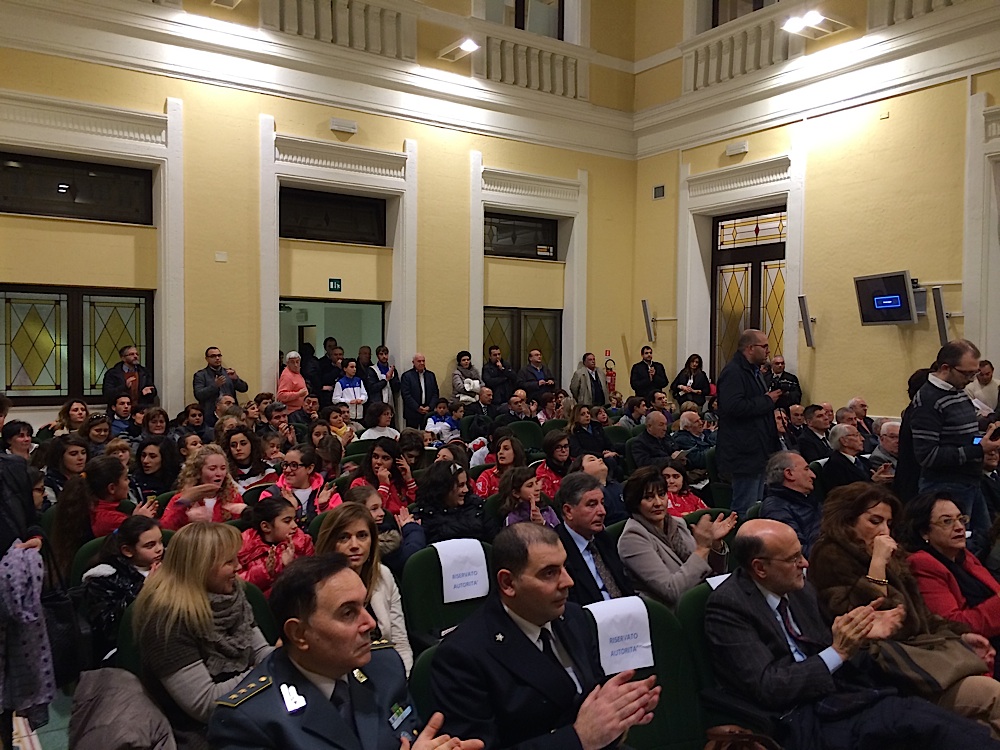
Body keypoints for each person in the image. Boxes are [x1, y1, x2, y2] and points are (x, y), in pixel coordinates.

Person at [705, 518, 1000, 750]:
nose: (805, 564)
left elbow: (832, 648)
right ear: (760, 568)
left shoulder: (799, 589)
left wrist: (861, 636)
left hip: (845, 694)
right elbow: (770, 687)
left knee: (954, 726)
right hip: (800, 717)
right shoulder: (729, 606)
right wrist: (840, 650)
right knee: (926, 725)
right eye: (793, 558)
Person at [208, 554, 482, 750]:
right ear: (299, 633)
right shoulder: (248, 721)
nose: (370, 623)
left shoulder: (384, 666)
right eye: (348, 613)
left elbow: (408, 735)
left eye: (364, 605)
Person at [431, 523, 660, 750]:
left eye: (564, 566)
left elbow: (592, 694)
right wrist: (578, 738)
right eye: (549, 573)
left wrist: (619, 712)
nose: (568, 581)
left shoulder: (573, 617)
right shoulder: (461, 657)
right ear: (508, 583)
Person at [808, 484, 1000, 735]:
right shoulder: (830, 557)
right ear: (847, 521)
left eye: (888, 523)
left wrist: (961, 634)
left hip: (924, 661)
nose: (884, 531)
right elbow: (870, 621)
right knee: (992, 696)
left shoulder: (897, 558)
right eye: (875, 521)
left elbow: (923, 616)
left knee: (983, 728)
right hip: (890, 675)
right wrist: (877, 564)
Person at [134, 522, 274, 743]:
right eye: (229, 562)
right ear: (201, 567)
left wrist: (289, 657)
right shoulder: (165, 620)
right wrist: (270, 670)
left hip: (249, 705)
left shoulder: (232, 594)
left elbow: (261, 652)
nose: (238, 567)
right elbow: (205, 705)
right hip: (198, 731)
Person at [903, 492, 1000, 677]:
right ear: (924, 532)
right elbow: (953, 624)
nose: (959, 527)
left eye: (961, 519)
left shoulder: (963, 556)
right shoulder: (922, 564)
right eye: (947, 522)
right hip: (974, 653)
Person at [315, 503, 413, 673]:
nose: (354, 545)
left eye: (362, 536)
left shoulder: (383, 575)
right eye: (344, 537)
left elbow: (400, 642)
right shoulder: (316, 586)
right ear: (330, 543)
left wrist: (404, 679)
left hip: (386, 672)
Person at [911, 340, 1000, 524]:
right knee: (958, 539)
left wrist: (986, 436)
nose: (971, 379)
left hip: (970, 481)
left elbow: (964, 437)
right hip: (945, 488)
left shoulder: (958, 391)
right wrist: (979, 449)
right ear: (946, 368)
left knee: (985, 537)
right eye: (967, 373)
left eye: (974, 373)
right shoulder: (928, 400)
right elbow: (927, 456)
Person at [618, 466, 732, 608]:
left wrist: (714, 544)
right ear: (635, 503)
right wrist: (702, 548)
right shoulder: (632, 538)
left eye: (662, 494)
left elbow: (711, 572)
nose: (658, 503)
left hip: (702, 602)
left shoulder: (677, 523)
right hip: (671, 612)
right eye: (648, 497)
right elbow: (672, 591)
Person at [51, 454, 157, 575]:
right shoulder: (107, 519)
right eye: (125, 478)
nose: (129, 482)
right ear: (112, 488)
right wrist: (141, 521)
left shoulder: (89, 504)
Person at [716, 329, 781, 518]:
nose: (768, 351)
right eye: (764, 346)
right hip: (743, 452)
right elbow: (733, 406)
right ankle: (741, 536)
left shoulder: (754, 371)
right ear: (750, 348)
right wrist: (767, 400)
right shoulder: (734, 372)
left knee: (757, 507)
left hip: (758, 450)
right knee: (745, 508)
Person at [81, 515, 163, 664]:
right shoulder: (104, 577)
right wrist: (143, 589)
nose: (160, 549)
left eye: (160, 542)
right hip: (127, 649)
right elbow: (110, 628)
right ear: (127, 551)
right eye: (150, 545)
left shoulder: (169, 565)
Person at [555, 472, 634, 605]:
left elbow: (626, 587)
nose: (602, 511)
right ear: (568, 511)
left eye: (602, 503)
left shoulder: (604, 538)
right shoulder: (556, 549)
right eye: (592, 505)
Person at [238, 496, 315, 598]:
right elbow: (238, 584)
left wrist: (291, 567)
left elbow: (312, 578)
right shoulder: (242, 545)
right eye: (287, 521)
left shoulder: (303, 541)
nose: (295, 526)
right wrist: (266, 571)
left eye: (294, 519)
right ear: (266, 526)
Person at [160, 444, 247, 530]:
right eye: (212, 469)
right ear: (198, 472)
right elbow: (165, 529)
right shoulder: (182, 499)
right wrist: (186, 517)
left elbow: (244, 530)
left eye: (223, 468)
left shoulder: (233, 496)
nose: (219, 473)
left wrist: (245, 512)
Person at [415, 460, 495, 544]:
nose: (466, 490)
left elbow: (493, 540)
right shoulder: (424, 515)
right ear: (443, 488)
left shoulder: (476, 506)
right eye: (460, 485)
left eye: (466, 484)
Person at [759, 451, 821, 557]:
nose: (813, 475)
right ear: (789, 474)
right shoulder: (775, 509)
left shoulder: (810, 500)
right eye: (806, 469)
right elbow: (797, 552)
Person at [258, 444, 337, 523]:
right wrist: (291, 511)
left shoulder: (327, 493)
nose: (287, 470)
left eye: (294, 465)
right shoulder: (270, 495)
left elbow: (337, 525)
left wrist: (324, 508)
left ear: (309, 468)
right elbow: (266, 527)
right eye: (285, 465)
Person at [820, 424, 894, 491]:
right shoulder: (833, 466)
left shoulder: (863, 461)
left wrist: (882, 478)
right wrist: (873, 482)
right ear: (844, 441)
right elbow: (842, 494)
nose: (862, 439)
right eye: (856, 435)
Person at [193, 346, 249, 427]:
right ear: (207, 359)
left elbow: (244, 388)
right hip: (211, 415)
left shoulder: (228, 372)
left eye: (219, 355)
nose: (217, 358)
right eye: (213, 356)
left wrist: (236, 379)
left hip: (232, 413)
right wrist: (215, 386)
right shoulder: (201, 375)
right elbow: (199, 395)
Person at [224, 425, 279, 493]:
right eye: (233, 445)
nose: (238, 448)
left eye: (243, 444)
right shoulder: (225, 475)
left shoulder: (267, 472)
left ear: (252, 445)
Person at [130, 434, 182, 503]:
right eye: (143, 455)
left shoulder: (181, 480)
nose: (145, 461)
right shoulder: (134, 482)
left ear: (165, 458)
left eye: (152, 456)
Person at [102, 344, 157, 408]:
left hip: (140, 409)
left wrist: (150, 391)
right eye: (131, 354)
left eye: (137, 354)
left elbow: (153, 391)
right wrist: (125, 386)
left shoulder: (144, 372)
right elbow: (107, 394)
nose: (135, 356)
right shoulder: (112, 373)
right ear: (123, 358)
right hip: (119, 410)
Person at [42, 434, 89, 508]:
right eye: (73, 454)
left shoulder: (90, 476)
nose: (81, 458)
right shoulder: (47, 482)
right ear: (59, 457)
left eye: (83, 453)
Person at [474, 434, 525, 498]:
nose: (500, 452)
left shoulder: (526, 476)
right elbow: (480, 501)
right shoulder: (487, 476)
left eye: (506, 449)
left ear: (516, 452)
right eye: (498, 450)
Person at [400, 353, 439, 429]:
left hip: (428, 412)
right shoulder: (407, 376)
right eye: (419, 361)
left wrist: (430, 407)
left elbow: (435, 393)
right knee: (411, 434)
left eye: (423, 361)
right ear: (413, 362)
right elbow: (406, 395)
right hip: (412, 412)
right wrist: (417, 407)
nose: (422, 363)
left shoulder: (431, 375)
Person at [363, 345, 401, 412]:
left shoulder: (392, 370)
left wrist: (392, 379)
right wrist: (386, 380)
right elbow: (372, 388)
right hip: (377, 405)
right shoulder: (372, 370)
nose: (384, 356)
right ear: (377, 356)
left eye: (386, 354)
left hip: (390, 404)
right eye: (381, 354)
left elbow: (397, 388)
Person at [535, 429, 571, 500]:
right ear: (550, 450)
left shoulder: (576, 465)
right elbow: (549, 500)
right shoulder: (543, 472)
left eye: (566, 446)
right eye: (558, 447)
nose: (563, 450)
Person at [318, 337, 345, 408]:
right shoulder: (322, 364)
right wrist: (337, 368)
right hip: (328, 396)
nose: (338, 357)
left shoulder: (347, 365)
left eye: (340, 354)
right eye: (336, 355)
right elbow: (325, 379)